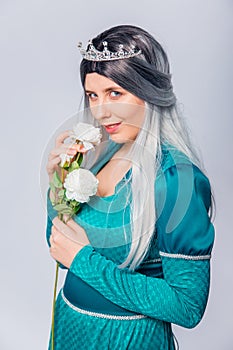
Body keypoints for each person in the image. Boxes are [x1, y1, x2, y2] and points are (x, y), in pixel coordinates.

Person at [45, 24, 215, 350]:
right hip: (70, 326)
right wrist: (59, 185)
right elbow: (60, 254)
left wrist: (84, 259)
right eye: (93, 95)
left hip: (126, 340)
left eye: (115, 93)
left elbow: (187, 306)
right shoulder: (100, 154)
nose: (101, 110)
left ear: (147, 91)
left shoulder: (177, 179)